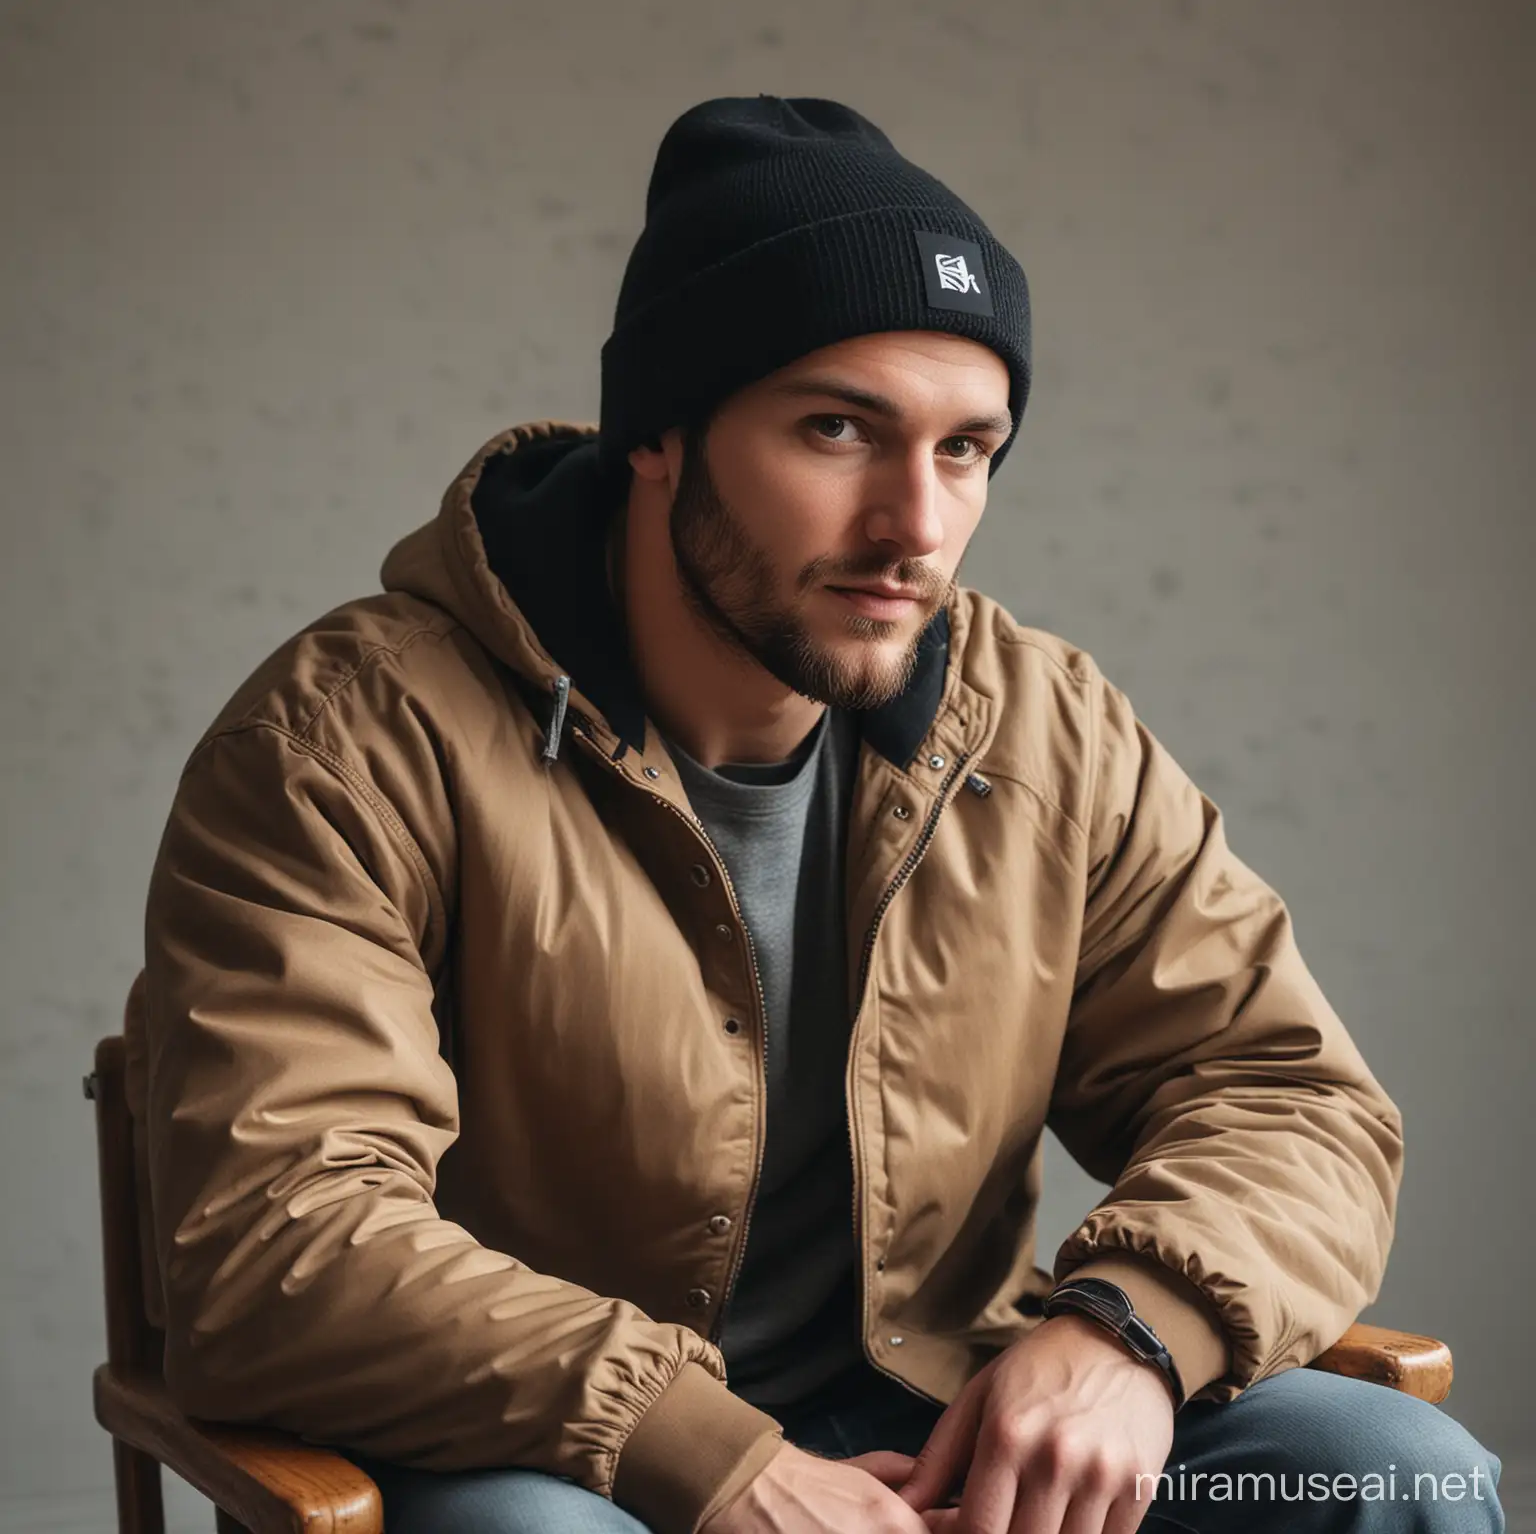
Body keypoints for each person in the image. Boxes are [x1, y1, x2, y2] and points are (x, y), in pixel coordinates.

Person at [133, 95, 1503, 1533]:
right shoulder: (344, 740)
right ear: (658, 432)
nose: (915, 524)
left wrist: (1130, 1330)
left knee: (1400, 1479)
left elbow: (1293, 1096)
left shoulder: (1041, 729)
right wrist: (700, 1448)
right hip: (562, 1457)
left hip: (940, 1421)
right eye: (840, 429)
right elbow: (278, 1233)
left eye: (968, 449)